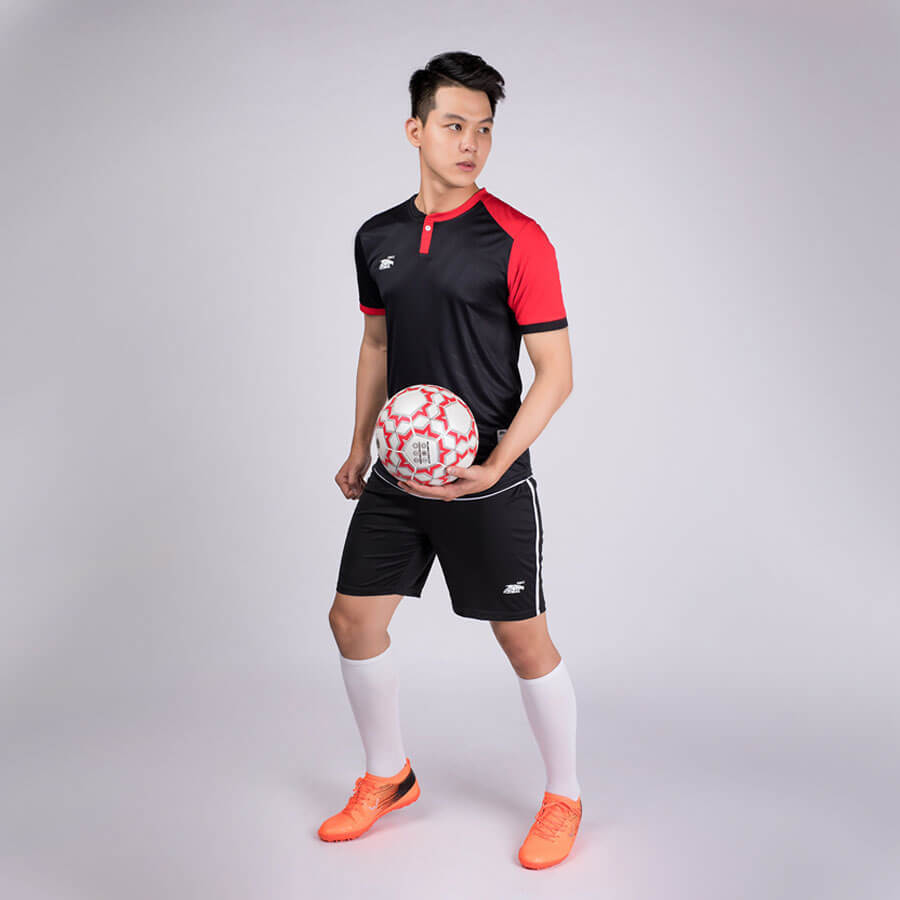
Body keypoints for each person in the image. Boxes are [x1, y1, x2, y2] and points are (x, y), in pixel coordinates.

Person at [320, 51, 581, 870]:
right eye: (454, 125)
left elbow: (557, 373)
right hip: (401, 471)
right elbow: (376, 344)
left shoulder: (518, 239)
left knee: (523, 640)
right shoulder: (378, 237)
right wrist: (359, 444)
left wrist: (498, 465)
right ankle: (388, 775)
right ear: (416, 130)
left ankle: (565, 795)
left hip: (486, 479)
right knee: (352, 621)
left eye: (485, 130)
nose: (471, 143)